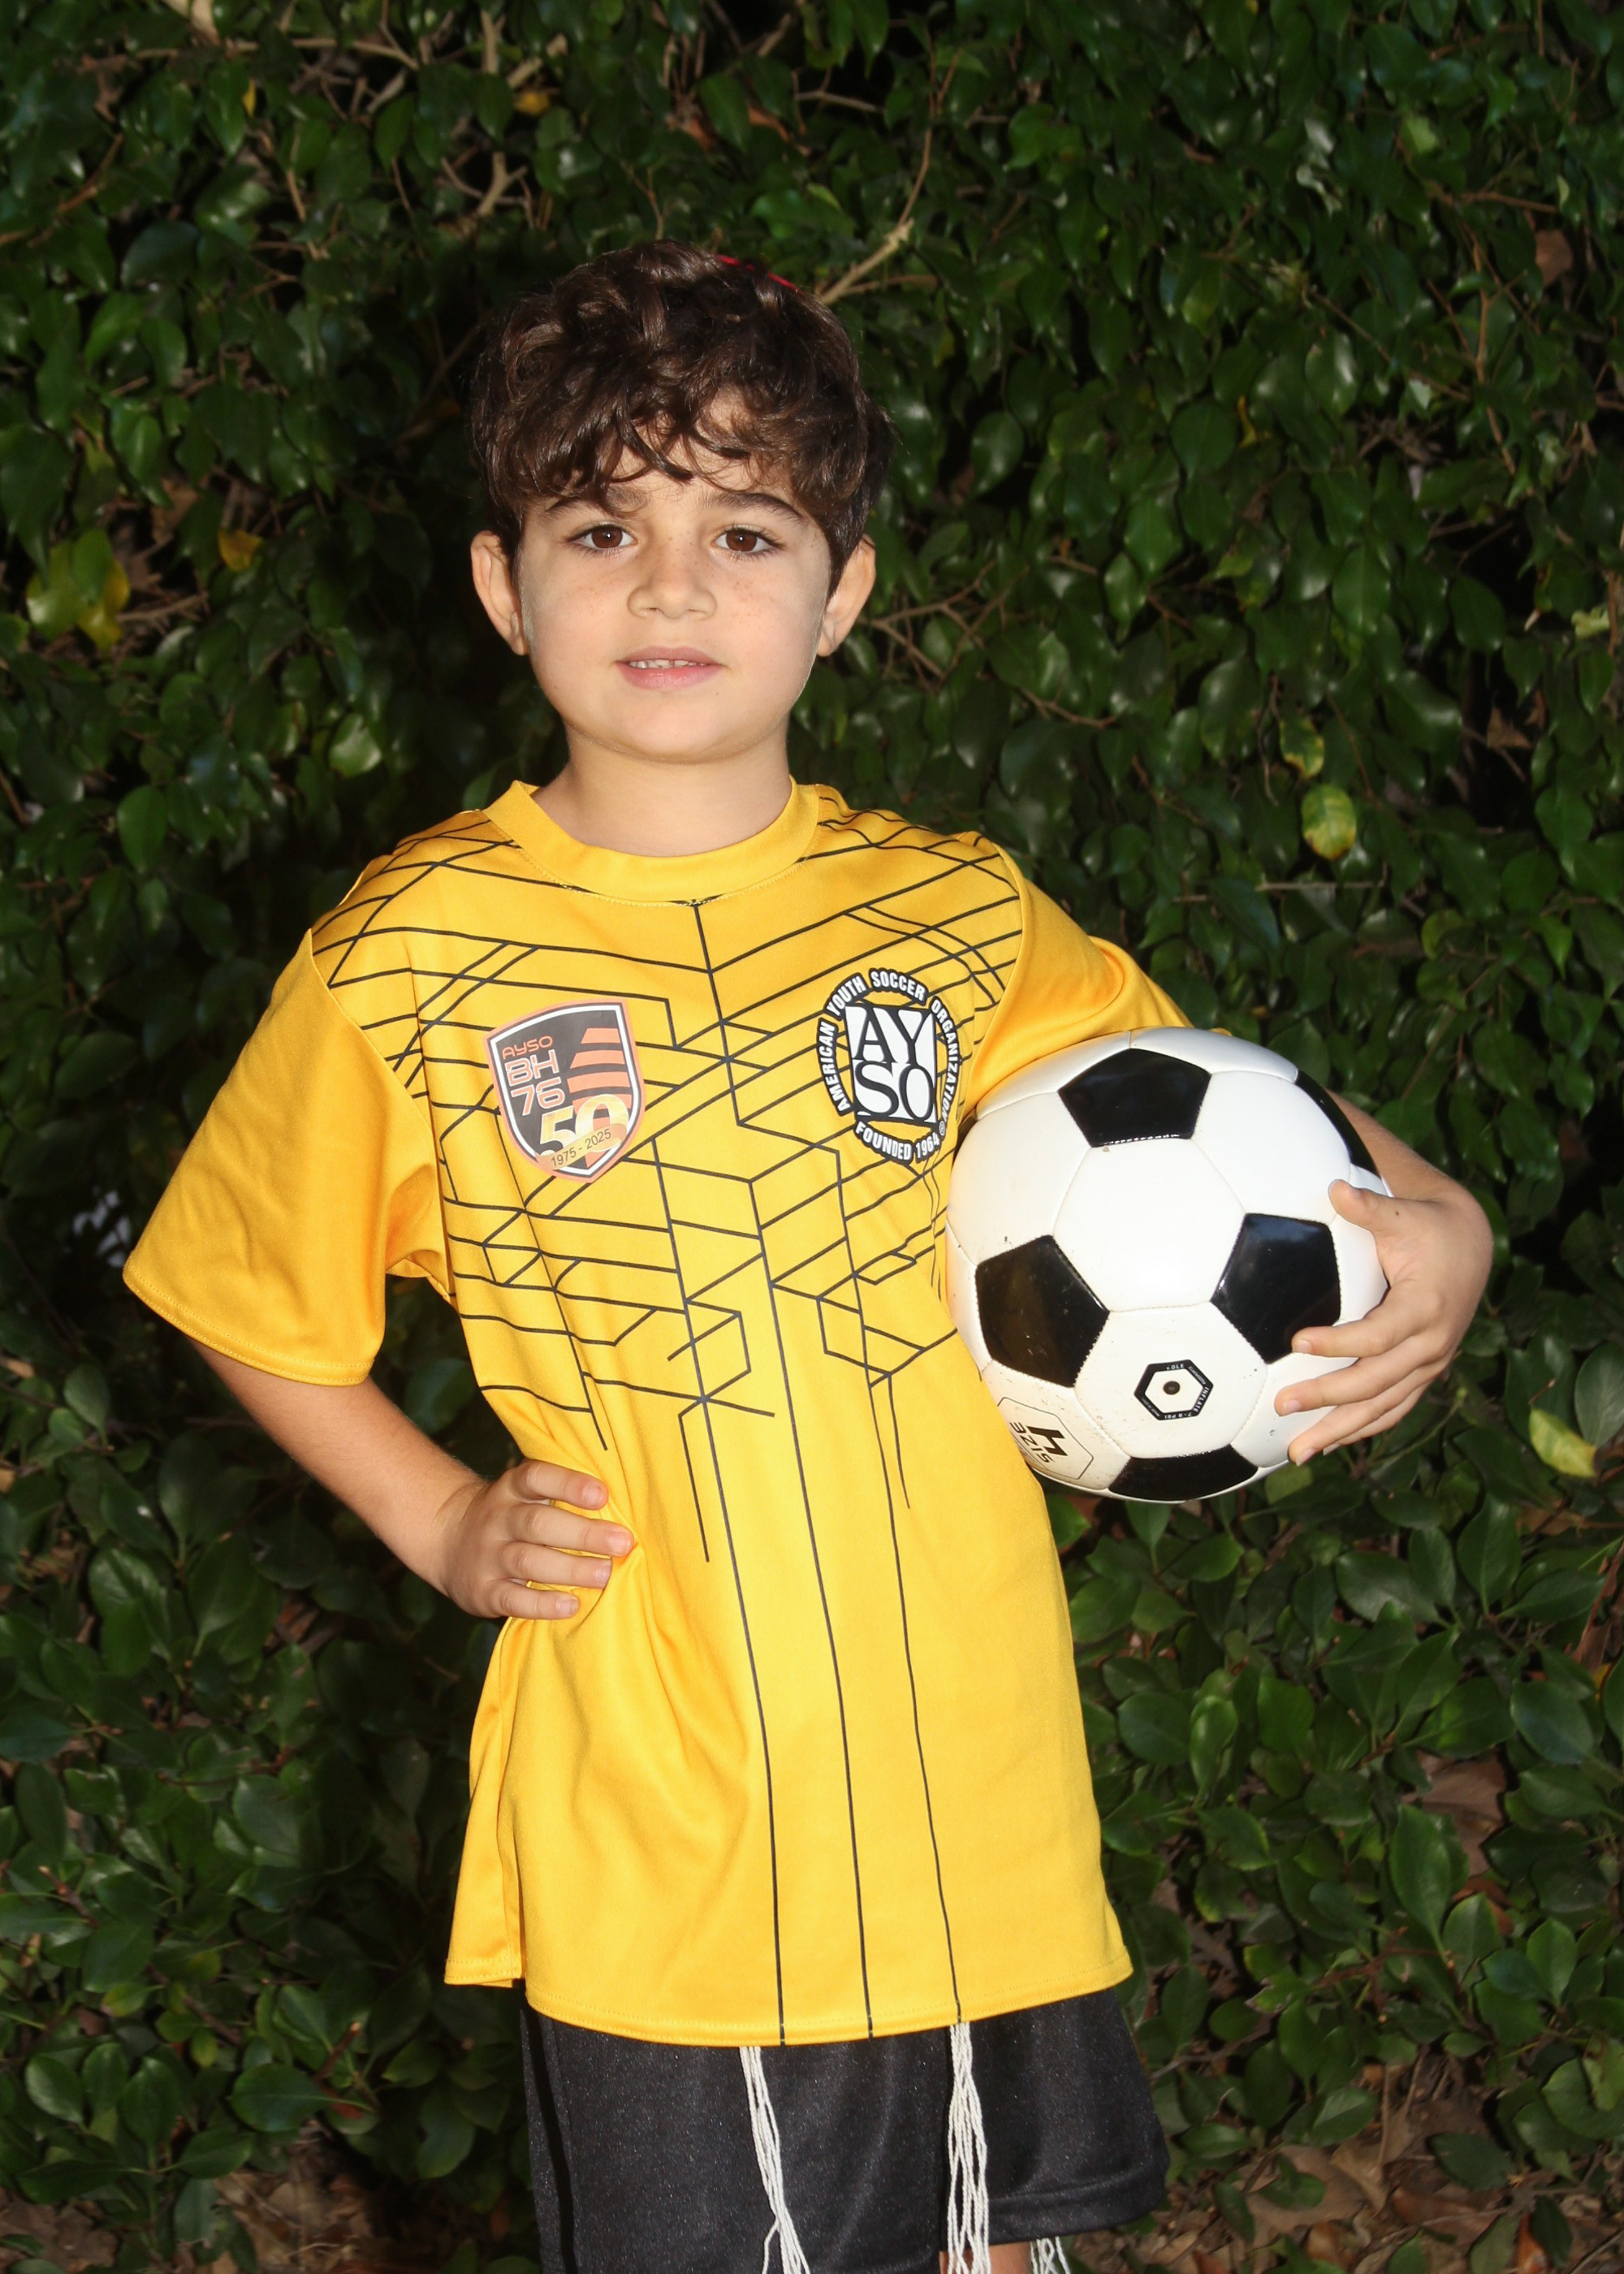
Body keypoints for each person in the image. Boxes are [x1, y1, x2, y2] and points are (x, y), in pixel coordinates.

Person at [123, 241, 1493, 2274]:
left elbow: (1229, 1112)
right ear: (504, 584)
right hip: (673, 1835)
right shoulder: (409, 951)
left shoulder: (953, 913)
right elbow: (243, 1289)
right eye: (603, 527)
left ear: (841, 590)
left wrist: (1444, 1219)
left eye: (744, 531)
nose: (671, 586)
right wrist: (441, 1521)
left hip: (976, 1805)